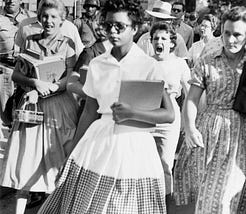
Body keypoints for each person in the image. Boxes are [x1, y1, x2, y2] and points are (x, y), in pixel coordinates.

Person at [38, 0, 174, 213]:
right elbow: (90, 112)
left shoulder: (149, 66)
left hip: (135, 146)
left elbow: (169, 114)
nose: (112, 31)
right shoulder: (97, 64)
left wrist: (133, 112)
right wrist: (71, 152)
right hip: (98, 143)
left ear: (135, 28)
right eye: (108, 25)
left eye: (120, 26)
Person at [173, 6, 246, 214]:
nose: (230, 40)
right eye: (227, 33)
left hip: (243, 135)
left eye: (237, 34)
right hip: (209, 130)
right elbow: (191, 99)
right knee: (208, 197)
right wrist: (190, 128)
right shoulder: (207, 60)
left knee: (229, 199)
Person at [0, 0, 79, 213]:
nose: (49, 21)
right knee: (26, 158)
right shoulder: (30, 41)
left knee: (58, 159)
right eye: (45, 16)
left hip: (59, 106)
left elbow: (70, 77)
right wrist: (34, 84)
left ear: (62, 19)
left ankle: (54, 208)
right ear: (39, 18)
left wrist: (49, 87)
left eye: (54, 17)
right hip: (32, 107)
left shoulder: (68, 44)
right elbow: (17, 74)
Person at [150, 21, 190, 210]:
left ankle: (163, 206)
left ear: (172, 43)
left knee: (165, 163)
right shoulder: (146, 63)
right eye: (156, 38)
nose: (159, 41)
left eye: (164, 38)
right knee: (145, 162)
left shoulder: (179, 64)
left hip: (169, 118)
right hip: (147, 116)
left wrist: (189, 123)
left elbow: (190, 95)